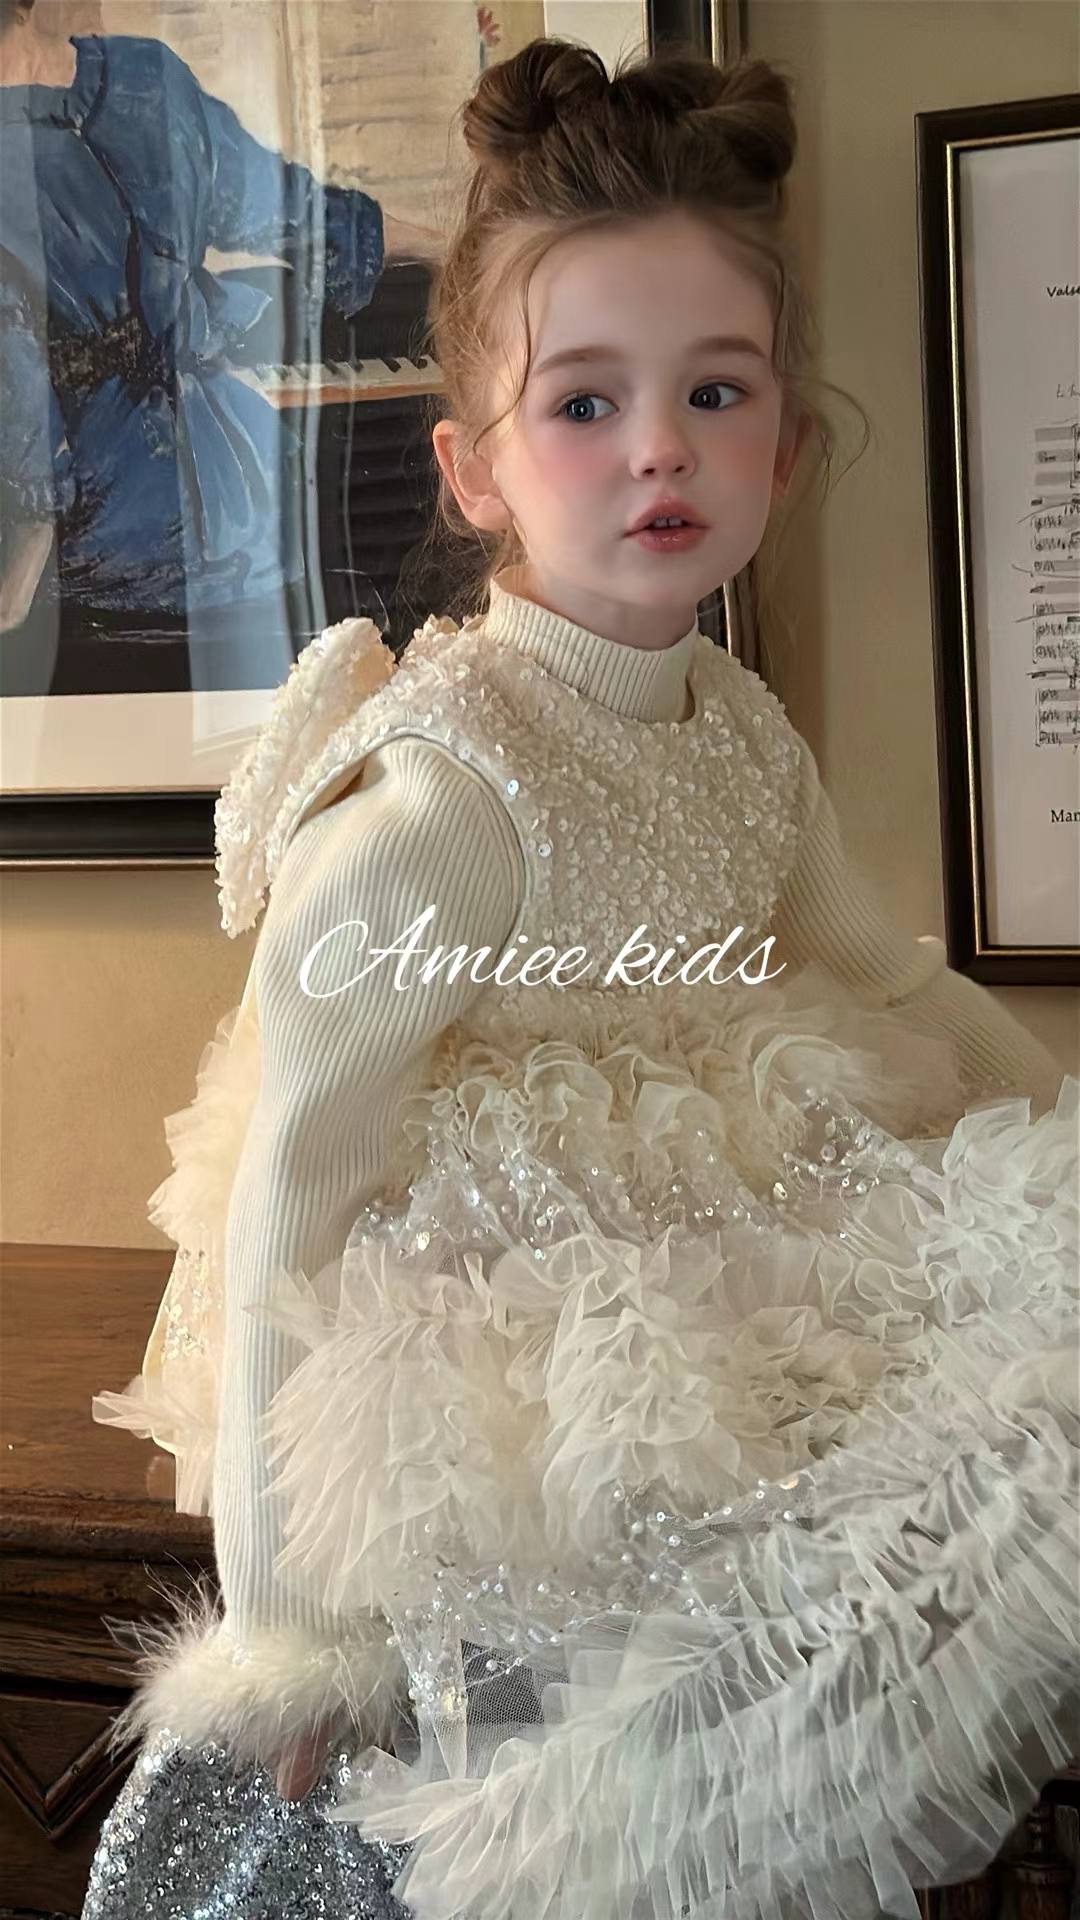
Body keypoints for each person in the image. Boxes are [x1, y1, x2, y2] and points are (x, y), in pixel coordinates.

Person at [84, 38, 1078, 1920]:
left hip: (714, 1302)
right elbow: (298, 1176)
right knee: (534, 1790)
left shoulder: (739, 732)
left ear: (786, 443)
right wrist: (287, 1627)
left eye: (717, 390)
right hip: (490, 1391)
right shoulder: (452, 787)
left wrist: (1058, 1130)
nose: (660, 448)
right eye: (585, 401)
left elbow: (886, 975)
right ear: (472, 467)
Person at [0, 0, 439, 695]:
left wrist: (17, 585)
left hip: (98, 557)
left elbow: (21, 412)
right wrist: (456, 247)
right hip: (239, 497)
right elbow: (300, 213)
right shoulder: (146, 79)